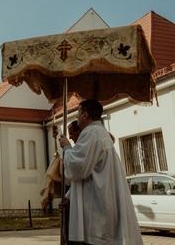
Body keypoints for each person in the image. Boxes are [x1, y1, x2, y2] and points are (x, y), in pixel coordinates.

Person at [59, 99, 142, 244]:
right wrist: (69, 197)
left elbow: (78, 167)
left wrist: (67, 147)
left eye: (78, 113)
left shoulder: (92, 133)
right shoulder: (98, 132)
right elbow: (89, 173)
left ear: (85, 115)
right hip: (99, 198)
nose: (77, 117)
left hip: (96, 204)